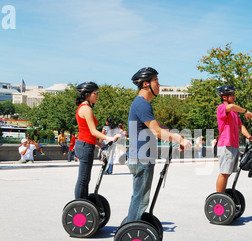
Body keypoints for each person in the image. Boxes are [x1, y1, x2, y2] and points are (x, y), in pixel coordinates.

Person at [126, 67, 192, 223]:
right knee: (140, 199)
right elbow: (157, 132)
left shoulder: (142, 104)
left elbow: (159, 126)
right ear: (145, 84)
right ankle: (132, 231)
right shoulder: (141, 104)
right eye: (156, 81)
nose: (159, 85)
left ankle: (133, 226)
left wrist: (178, 137)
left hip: (143, 158)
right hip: (141, 159)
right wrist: (179, 140)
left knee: (140, 198)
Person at [74, 82, 119, 200]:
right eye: (95, 93)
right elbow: (93, 131)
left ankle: (83, 202)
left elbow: (88, 132)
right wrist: (110, 138)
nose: (97, 95)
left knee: (85, 179)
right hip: (84, 146)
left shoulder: (85, 107)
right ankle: (79, 205)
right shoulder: (86, 108)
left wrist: (100, 144)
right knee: (83, 179)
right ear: (87, 94)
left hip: (85, 144)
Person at [215, 85, 252, 193]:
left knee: (227, 173)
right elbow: (232, 107)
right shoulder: (221, 108)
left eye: (234, 94)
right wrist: (245, 111)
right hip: (226, 145)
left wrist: (250, 137)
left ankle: (223, 197)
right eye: (232, 95)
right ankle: (219, 199)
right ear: (224, 97)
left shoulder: (234, 112)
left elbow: (240, 126)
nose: (234, 96)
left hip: (233, 145)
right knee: (224, 173)